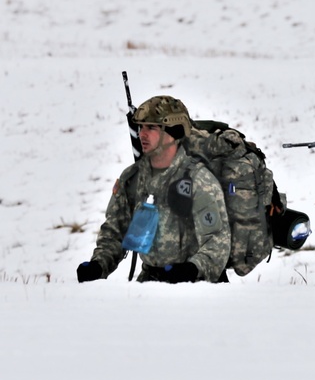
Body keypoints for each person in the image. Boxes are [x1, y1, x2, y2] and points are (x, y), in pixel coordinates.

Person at [76, 95, 231, 284]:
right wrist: (98, 265)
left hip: (197, 286)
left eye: (151, 127)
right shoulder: (132, 178)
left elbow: (217, 241)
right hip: (149, 284)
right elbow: (115, 231)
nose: (142, 134)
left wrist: (191, 270)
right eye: (140, 127)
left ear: (172, 132)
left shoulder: (199, 180)